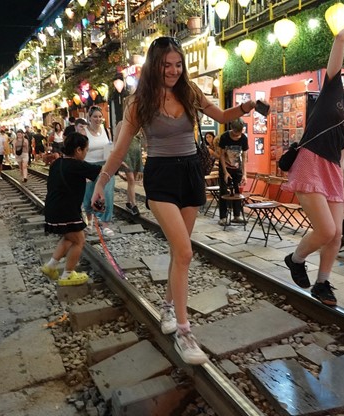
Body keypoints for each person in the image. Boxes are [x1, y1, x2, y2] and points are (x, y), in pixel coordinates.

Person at [90, 36, 257, 365]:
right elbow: (121, 148)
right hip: (162, 177)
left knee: (179, 255)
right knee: (184, 250)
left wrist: (244, 108)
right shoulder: (140, 103)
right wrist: (101, 182)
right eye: (167, 65)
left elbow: (222, 116)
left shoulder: (189, 91)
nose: (173, 70)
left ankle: (168, 307)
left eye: (178, 64)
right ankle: (183, 331)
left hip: (190, 173)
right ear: (155, 66)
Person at [281, 0, 344, 306]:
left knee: (336, 234)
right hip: (310, 162)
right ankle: (296, 259)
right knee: (325, 230)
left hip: (332, 172)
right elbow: (340, 38)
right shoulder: (332, 91)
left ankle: (323, 284)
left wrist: (340, 182)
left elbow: (342, 154)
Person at [41, 133, 101, 286]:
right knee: (79, 240)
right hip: (66, 210)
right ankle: (68, 274)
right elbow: (100, 171)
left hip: (52, 208)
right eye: (86, 150)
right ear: (78, 150)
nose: (86, 153)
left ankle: (51, 266)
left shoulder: (57, 163)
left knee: (69, 238)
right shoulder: (76, 165)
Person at [82, 106, 115, 237]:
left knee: (107, 194)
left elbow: (109, 147)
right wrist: (83, 172)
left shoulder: (106, 130)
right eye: (95, 116)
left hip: (105, 167)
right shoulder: (84, 132)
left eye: (100, 116)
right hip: (89, 166)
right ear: (89, 118)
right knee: (88, 195)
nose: (98, 119)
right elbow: (81, 152)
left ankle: (105, 223)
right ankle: (90, 222)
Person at [217, 119, 249, 226]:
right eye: (235, 134)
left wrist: (244, 173)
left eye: (239, 134)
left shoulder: (243, 138)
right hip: (225, 167)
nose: (237, 136)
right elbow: (221, 155)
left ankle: (237, 215)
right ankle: (223, 217)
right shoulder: (225, 137)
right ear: (232, 129)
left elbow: (244, 156)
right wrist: (225, 172)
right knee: (224, 192)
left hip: (237, 167)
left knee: (237, 192)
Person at [116, 121, 143, 215]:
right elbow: (115, 141)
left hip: (136, 155)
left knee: (132, 181)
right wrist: (118, 158)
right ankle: (134, 204)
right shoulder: (121, 124)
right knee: (131, 180)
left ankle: (128, 203)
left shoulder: (139, 124)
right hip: (126, 155)